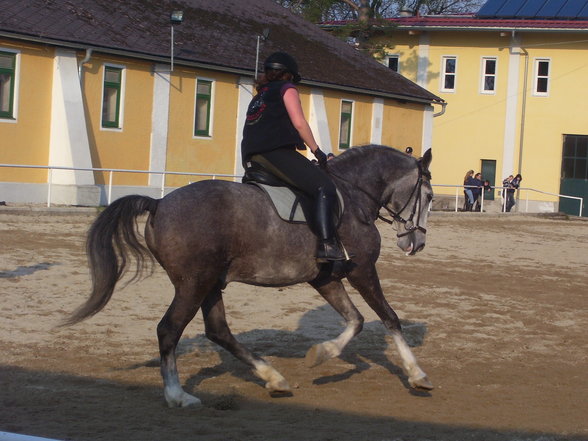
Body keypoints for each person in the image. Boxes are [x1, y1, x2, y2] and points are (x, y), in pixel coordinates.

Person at [241, 52, 346, 262]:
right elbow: (299, 123)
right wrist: (318, 151)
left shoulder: (259, 95)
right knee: (324, 187)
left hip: (251, 156)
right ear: (288, 75)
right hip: (275, 152)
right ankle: (327, 245)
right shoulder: (286, 89)